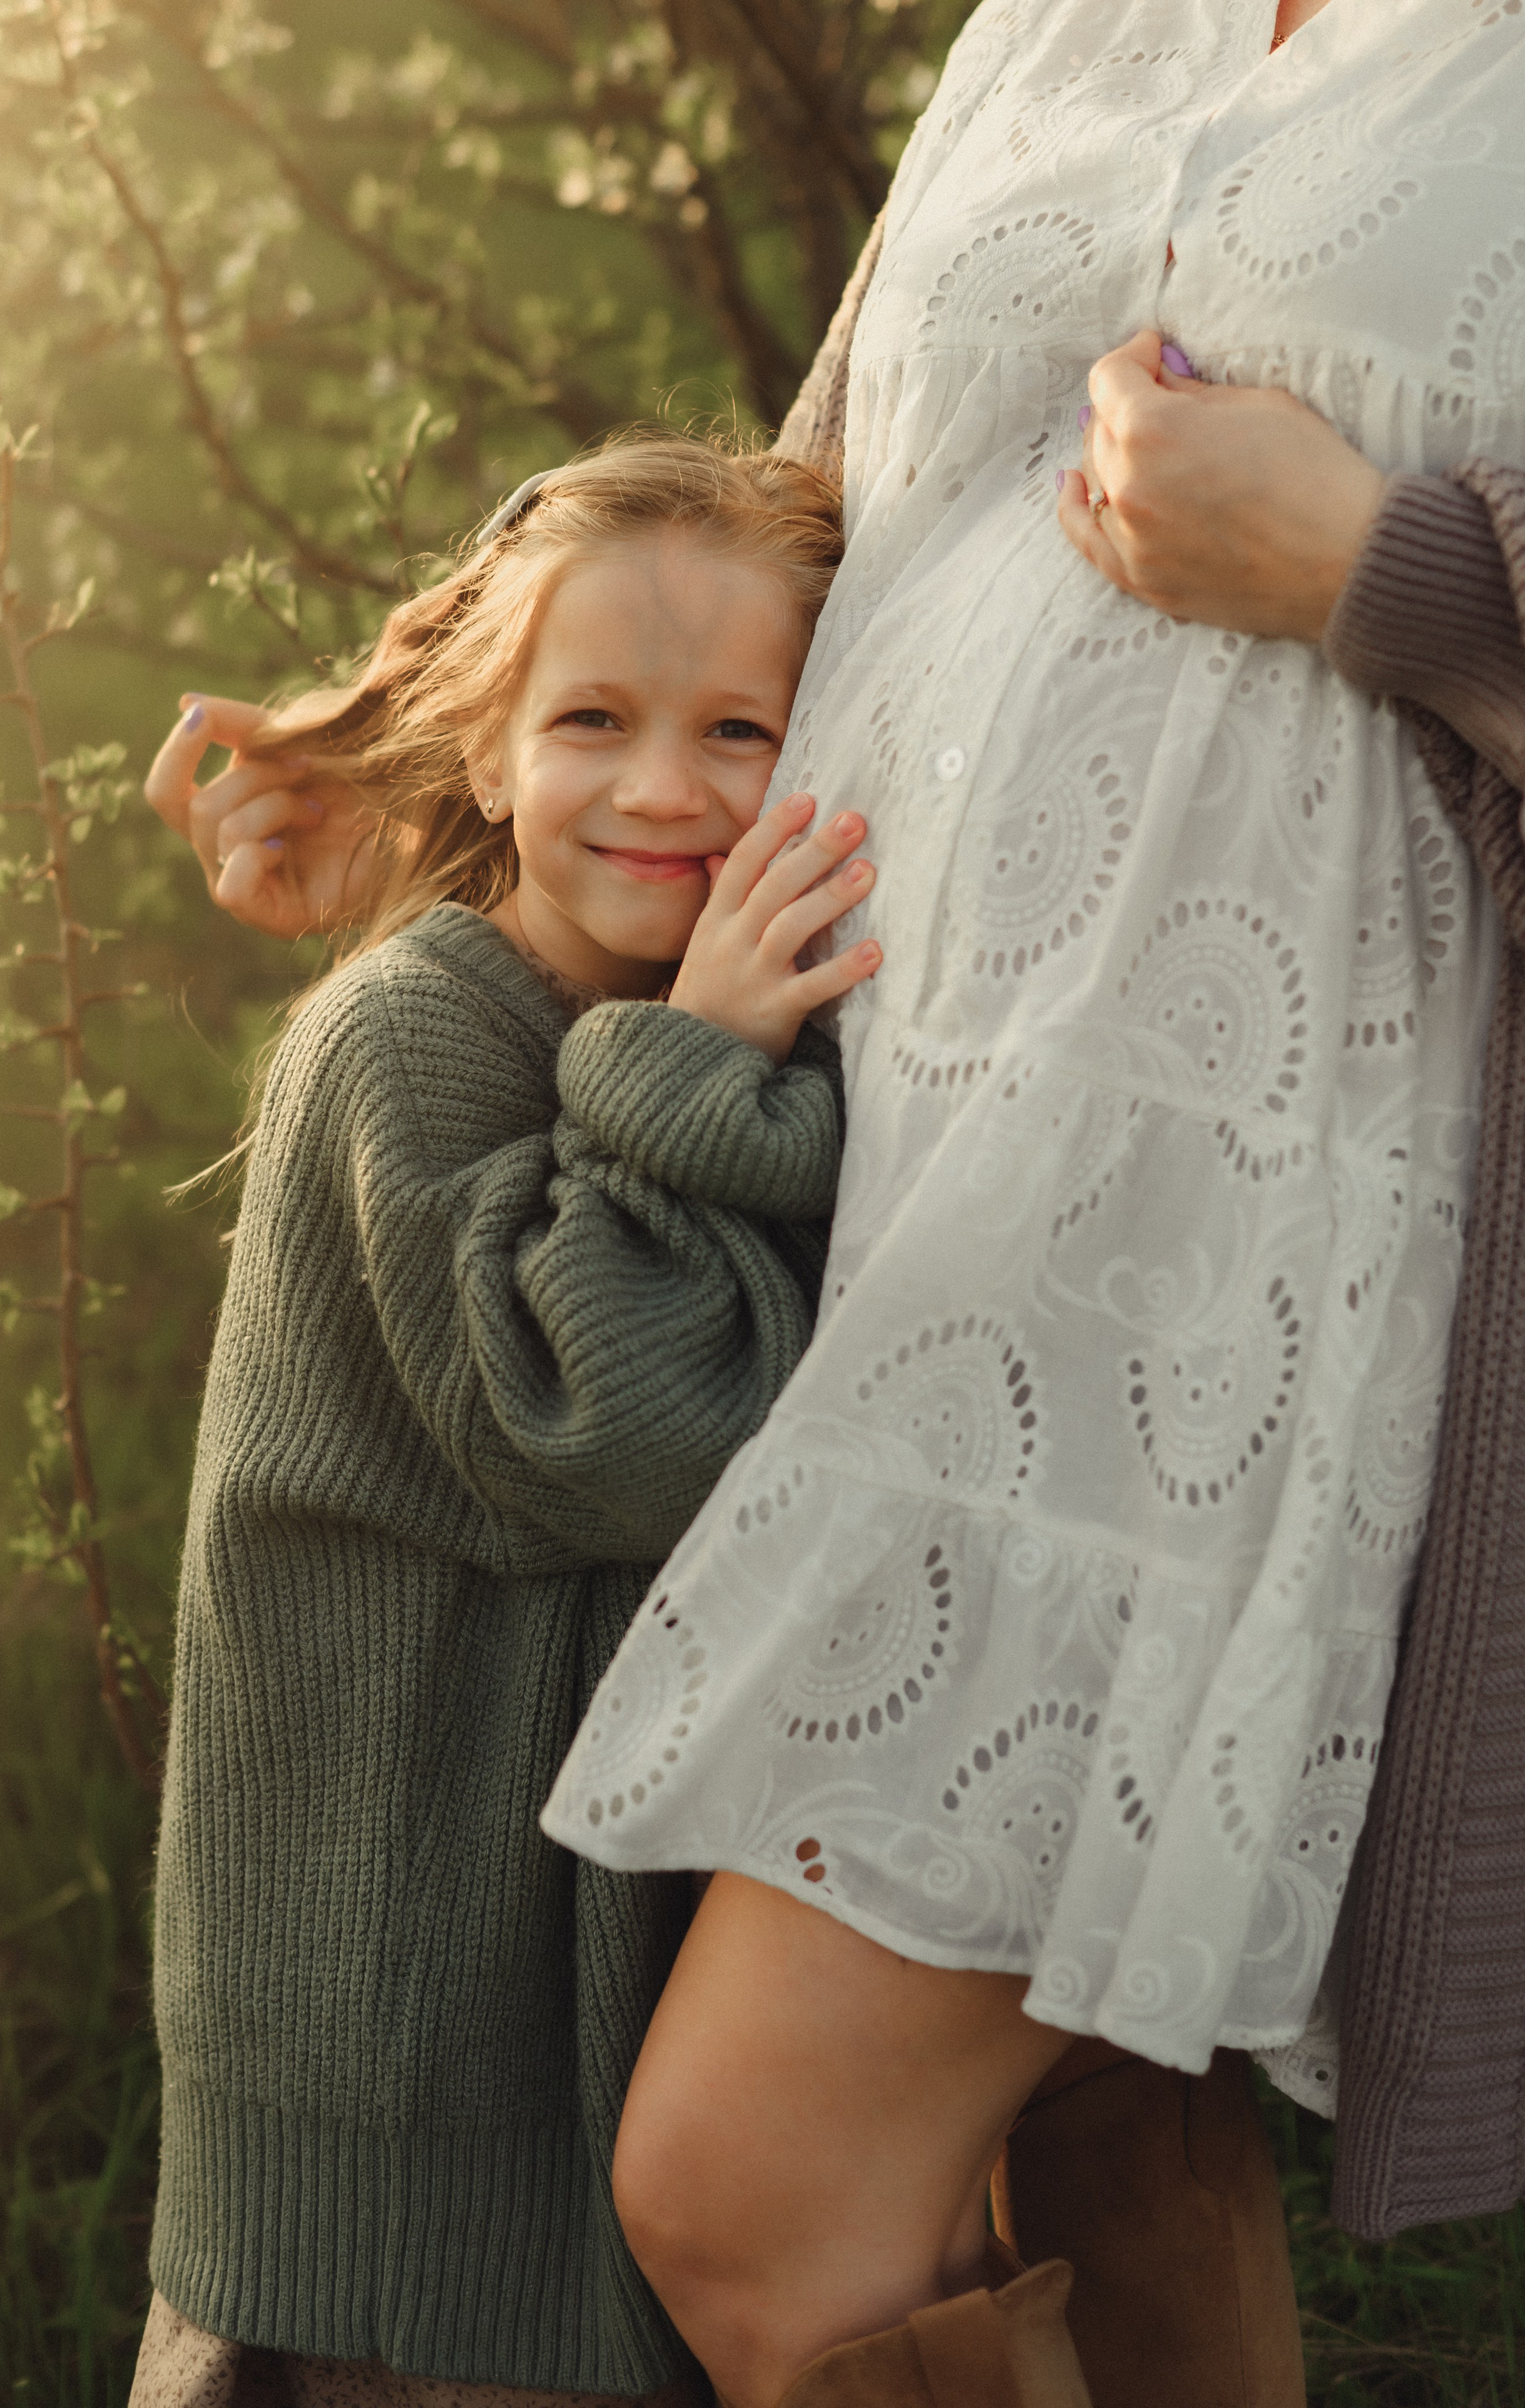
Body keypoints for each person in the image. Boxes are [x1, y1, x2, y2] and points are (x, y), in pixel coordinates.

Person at [524, 4, 1525, 2404]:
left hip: (1194, 1278)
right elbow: (798, 536)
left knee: (750, 2194)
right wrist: (414, 793)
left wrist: (1379, 568)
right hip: (872, 1190)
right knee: (1058, 2170)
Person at [129, 433, 889, 2407]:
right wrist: (692, 1063)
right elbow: (602, 1422)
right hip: (399, 2008)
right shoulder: (413, 1035)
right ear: (488, 757)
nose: (665, 788)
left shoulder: (688, 1032)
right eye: (594, 721)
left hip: (559, 1972)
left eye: (741, 727)